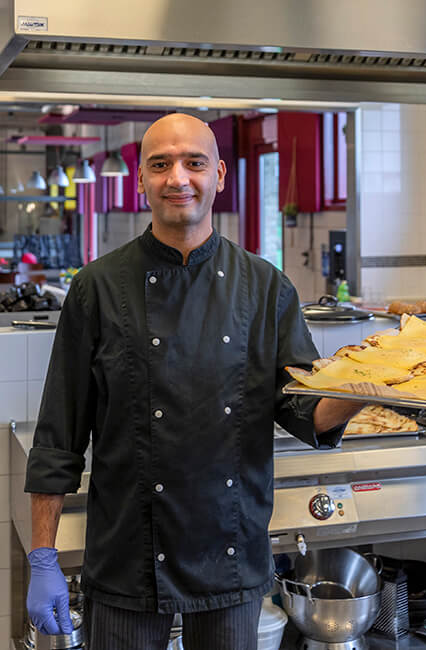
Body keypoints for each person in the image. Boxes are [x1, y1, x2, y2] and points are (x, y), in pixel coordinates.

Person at [24, 113, 364, 650]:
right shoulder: (96, 288)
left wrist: (358, 391)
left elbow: (304, 413)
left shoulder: (267, 289)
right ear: (140, 180)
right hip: (125, 561)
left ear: (220, 175)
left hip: (230, 560)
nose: (177, 178)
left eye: (194, 163)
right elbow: (58, 436)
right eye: (160, 164)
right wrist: (42, 556)